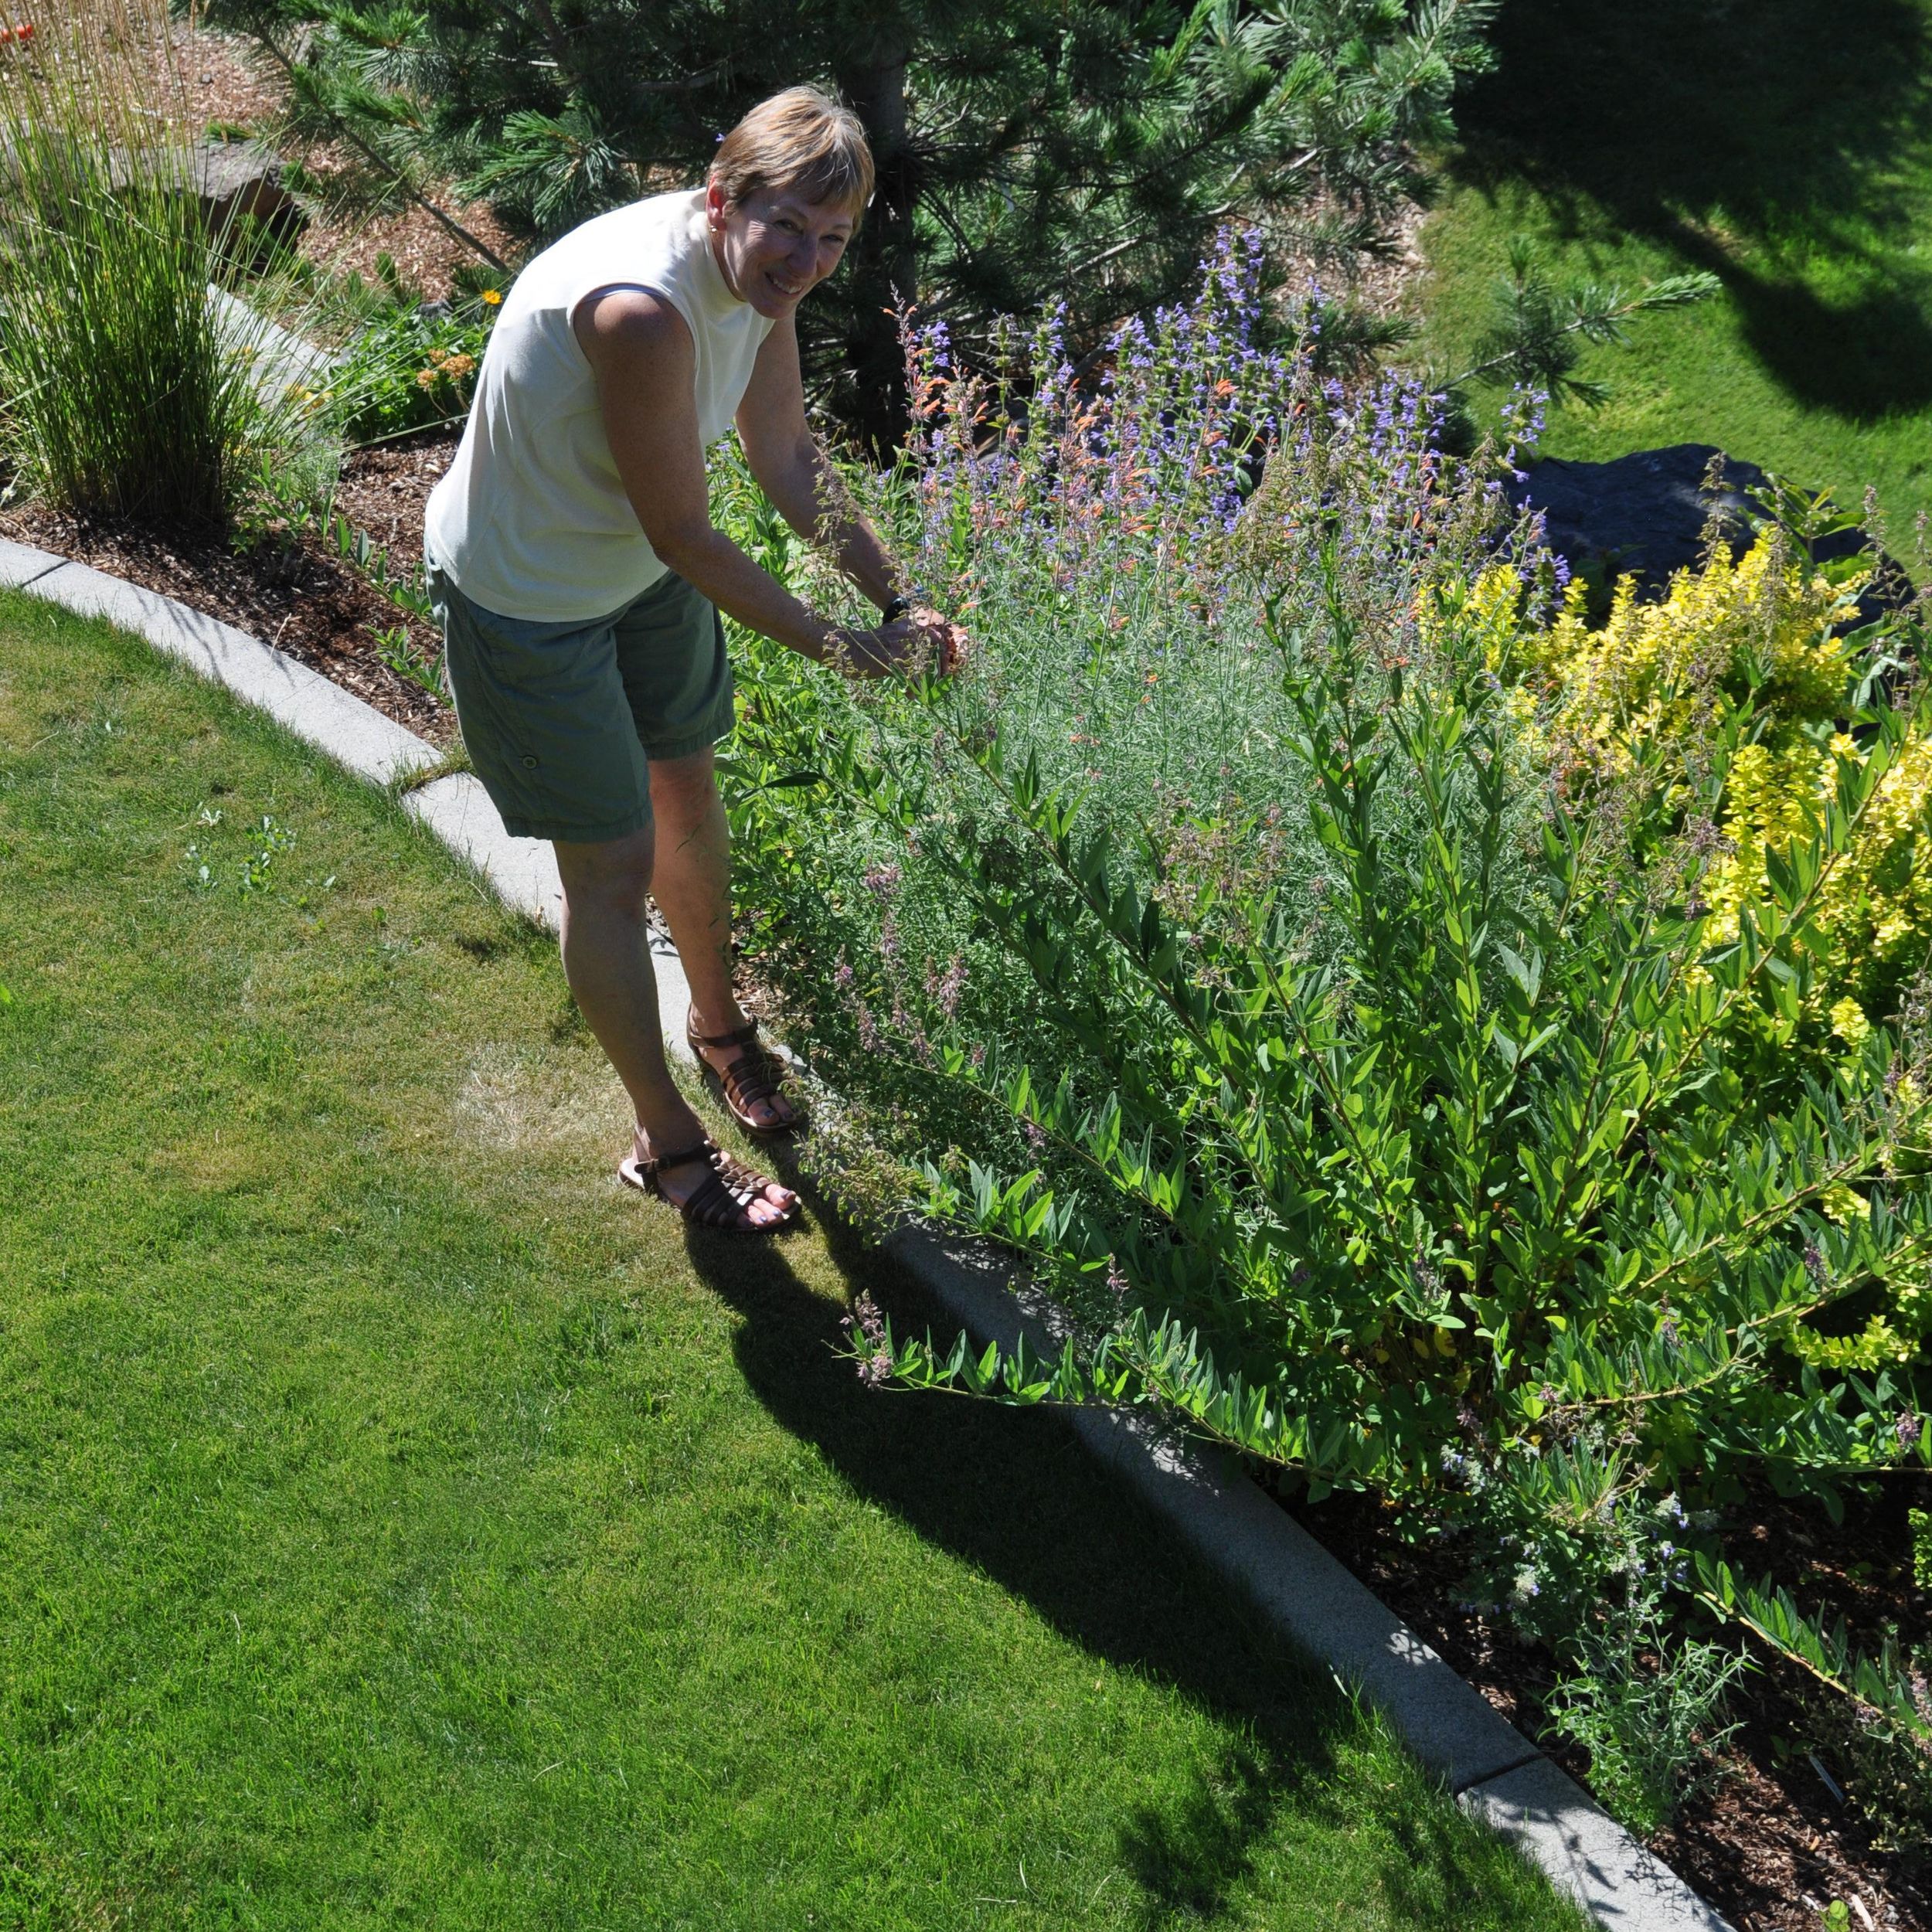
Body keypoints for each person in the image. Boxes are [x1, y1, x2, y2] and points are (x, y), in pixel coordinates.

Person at [423, 86, 962, 1234]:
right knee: (611, 868)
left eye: (832, 240)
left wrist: (897, 597)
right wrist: (845, 649)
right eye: (789, 230)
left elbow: (784, 455)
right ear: (723, 199)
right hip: (529, 598)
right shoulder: (644, 314)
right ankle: (665, 1143)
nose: (809, 261)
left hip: (632, 570)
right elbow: (687, 532)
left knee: (686, 788)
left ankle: (720, 1030)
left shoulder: (765, 277)